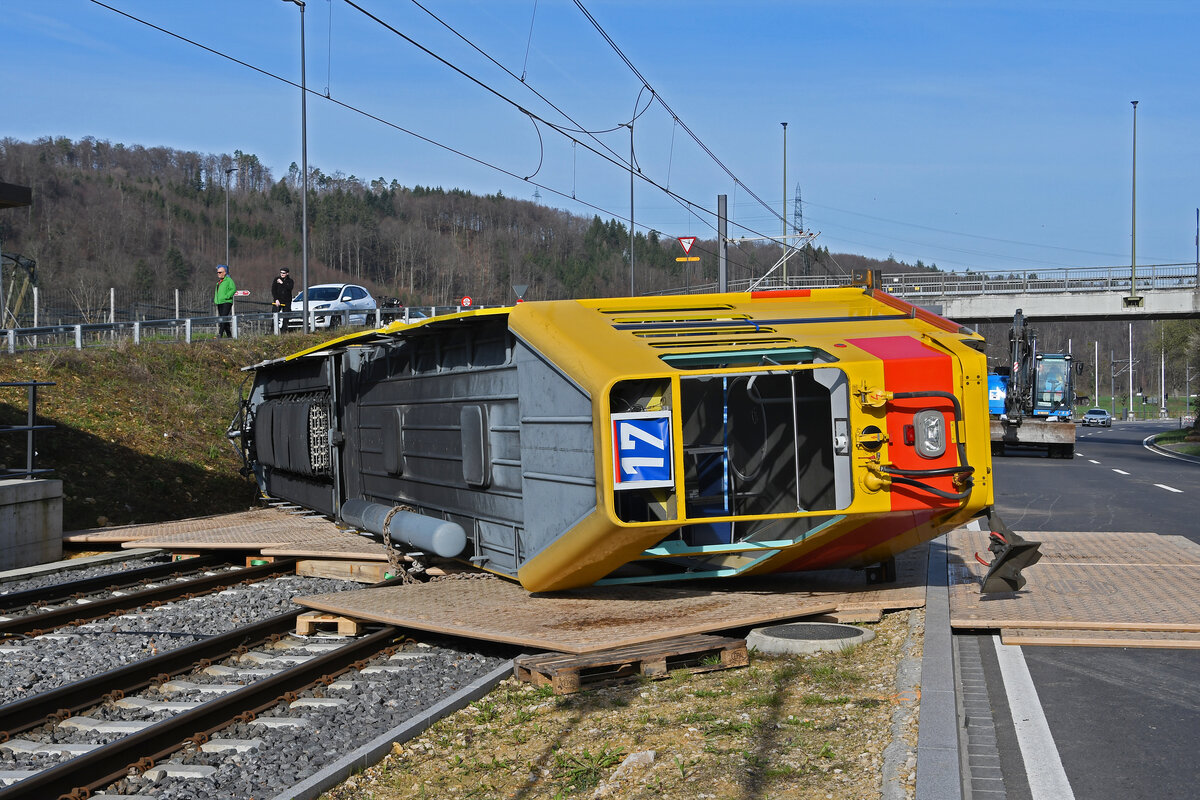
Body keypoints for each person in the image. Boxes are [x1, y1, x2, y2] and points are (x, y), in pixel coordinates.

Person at [214, 264, 236, 338]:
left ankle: (220, 334)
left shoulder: (229, 280)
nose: (218, 274)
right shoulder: (219, 283)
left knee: (223, 318)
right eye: (218, 272)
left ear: (224, 272)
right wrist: (216, 300)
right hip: (220, 302)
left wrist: (227, 296)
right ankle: (229, 335)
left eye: (220, 272)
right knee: (224, 319)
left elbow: (233, 289)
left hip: (226, 302)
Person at [271, 267, 294, 332]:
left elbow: (289, 288)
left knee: (286, 316)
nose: (282, 274)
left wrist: (282, 283)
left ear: (287, 273)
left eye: (283, 273)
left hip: (287, 301)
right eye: (281, 272)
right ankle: (273, 331)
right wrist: (276, 299)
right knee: (274, 315)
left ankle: (284, 331)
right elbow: (273, 290)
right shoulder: (276, 279)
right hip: (278, 300)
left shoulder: (290, 281)